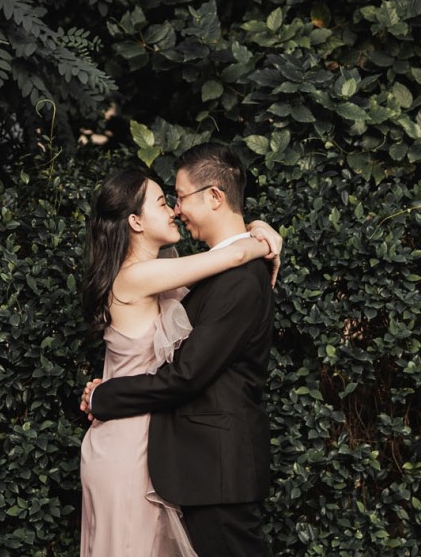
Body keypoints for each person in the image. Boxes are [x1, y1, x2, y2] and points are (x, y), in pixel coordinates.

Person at [82, 143, 278, 556]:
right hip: (137, 443)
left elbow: (186, 373)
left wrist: (105, 395)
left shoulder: (225, 277)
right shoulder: (147, 276)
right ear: (135, 221)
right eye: (164, 201)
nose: (175, 209)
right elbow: (233, 253)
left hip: (184, 454)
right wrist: (263, 240)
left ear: (214, 196)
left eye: (179, 197)